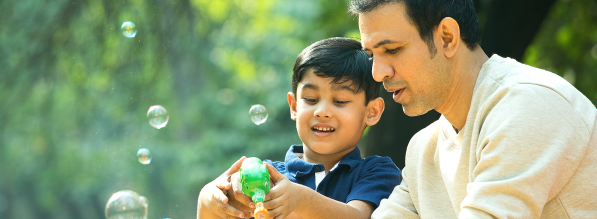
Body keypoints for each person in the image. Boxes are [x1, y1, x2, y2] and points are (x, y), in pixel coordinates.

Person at [349, 0, 597, 218]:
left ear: (447, 37)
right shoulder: (423, 149)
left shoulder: (528, 105)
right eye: (371, 55)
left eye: (392, 50)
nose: (378, 73)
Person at [197, 37, 402, 219]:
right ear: (294, 106)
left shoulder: (377, 172)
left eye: (339, 101)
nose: (322, 111)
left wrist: (300, 200)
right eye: (311, 99)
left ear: (372, 111)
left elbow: (358, 216)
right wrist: (208, 201)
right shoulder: (268, 176)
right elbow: (222, 207)